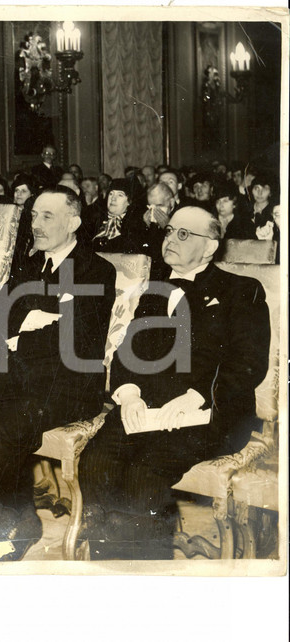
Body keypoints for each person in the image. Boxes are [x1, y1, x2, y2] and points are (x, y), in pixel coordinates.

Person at [0, 186, 116, 561]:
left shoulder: (96, 270)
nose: (37, 223)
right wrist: (31, 320)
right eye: (34, 215)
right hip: (17, 376)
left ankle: (19, 523)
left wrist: (15, 337)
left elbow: (74, 339)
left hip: (69, 384)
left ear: (73, 222)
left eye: (48, 216)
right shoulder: (28, 266)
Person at [80, 206, 270, 560]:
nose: (170, 239)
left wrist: (197, 396)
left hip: (210, 412)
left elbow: (248, 363)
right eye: (169, 231)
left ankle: (147, 581)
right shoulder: (155, 291)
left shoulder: (242, 290)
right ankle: (109, 571)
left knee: (143, 475)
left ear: (211, 246)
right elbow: (129, 350)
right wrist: (131, 394)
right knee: (95, 461)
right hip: (148, 408)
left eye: (183, 234)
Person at [92, 176, 147, 252]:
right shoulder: (95, 220)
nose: (113, 198)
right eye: (111, 194)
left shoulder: (136, 226)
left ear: (129, 202)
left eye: (120, 195)